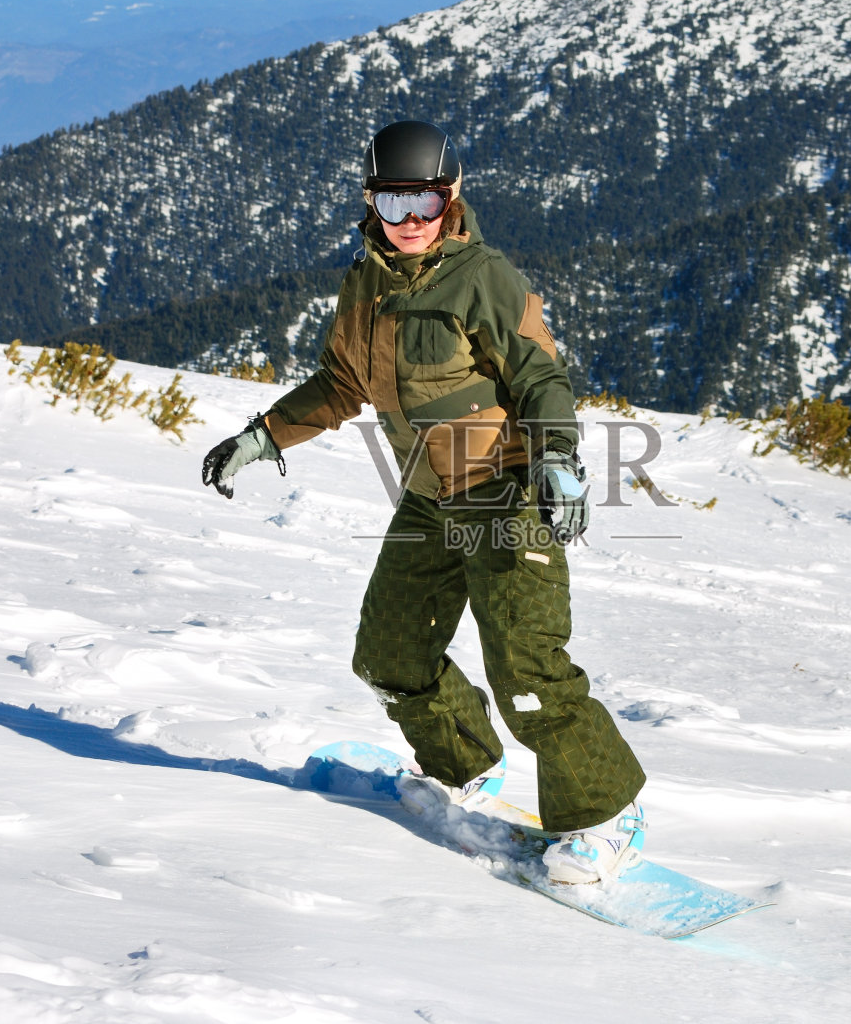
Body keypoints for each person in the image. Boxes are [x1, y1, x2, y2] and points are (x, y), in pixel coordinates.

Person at [201, 119, 646, 884]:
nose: (410, 222)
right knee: (387, 655)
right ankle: (469, 762)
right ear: (371, 202)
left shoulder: (484, 277)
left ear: (453, 197)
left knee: (530, 672)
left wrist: (562, 458)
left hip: (505, 493)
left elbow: (541, 378)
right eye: (394, 202)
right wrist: (266, 435)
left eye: (426, 203)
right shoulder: (364, 285)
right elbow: (342, 384)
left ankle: (607, 816)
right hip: (427, 499)